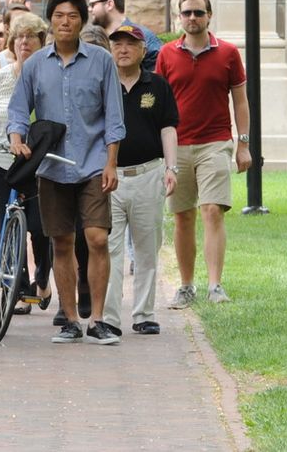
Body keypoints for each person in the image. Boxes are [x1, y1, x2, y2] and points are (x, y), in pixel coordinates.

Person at [5, 0, 125, 345]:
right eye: (59, 16)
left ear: (82, 20)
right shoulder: (36, 64)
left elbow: (114, 116)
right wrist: (16, 135)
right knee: (61, 242)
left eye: (72, 16)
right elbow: (18, 109)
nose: (65, 22)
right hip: (52, 165)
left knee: (97, 237)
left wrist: (112, 162)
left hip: (92, 163)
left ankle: (99, 318)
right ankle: (70, 318)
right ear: (51, 21)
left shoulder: (102, 62)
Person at [156, 0, 250, 308]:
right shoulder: (167, 55)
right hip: (177, 145)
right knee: (183, 217)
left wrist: (243, 145)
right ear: (179, 18)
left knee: (211, 210)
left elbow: (240, 100)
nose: (192, 18)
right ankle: (185, 286)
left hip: (215, 142)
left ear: (209, 16)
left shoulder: (228, 53)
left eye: (198, 12)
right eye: (187, 13)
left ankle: (215, 285)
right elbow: (159, 103)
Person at [102, 22, 178, 337]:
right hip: (110, 178)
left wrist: (172, 168)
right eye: (117, 43)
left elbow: (168, 128)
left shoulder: (157, 85)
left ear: (142, 50)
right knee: (110, 249)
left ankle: (144, 313)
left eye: (130, 44)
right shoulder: (101, 85)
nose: (123, 49)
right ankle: (107, 316)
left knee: (147, 247)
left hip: (148, 174)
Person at [0, 12, 53, 314]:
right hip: (2, 160)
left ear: (42, 41)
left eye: (31, 36)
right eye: (19, 37)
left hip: (40, 165)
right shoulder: (0, 78)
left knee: (40, 227)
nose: (24, 42)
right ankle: (17, 288)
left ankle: (43, 279)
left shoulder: (50, 77)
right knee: (8, 223)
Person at [89, 0, 159, 70]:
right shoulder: (91, 38)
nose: (89, 9)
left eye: (93, 5)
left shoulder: (145, 37)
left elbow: (157, 76)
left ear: (109, 4)